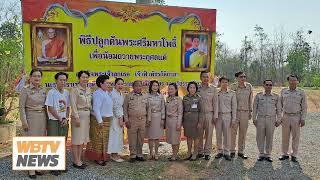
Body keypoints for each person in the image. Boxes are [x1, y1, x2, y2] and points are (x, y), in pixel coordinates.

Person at [19, 69, 46, 179]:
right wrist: (24, 122)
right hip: (31, 118)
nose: (37, 78)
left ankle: (38, 166)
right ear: (30, 77)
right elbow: (21, 107)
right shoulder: (25, 90)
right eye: (34, 76)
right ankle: (30, 168)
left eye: (39, 76)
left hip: (42, 118)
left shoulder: (43, 89)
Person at [45, 72, 70, 176]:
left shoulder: (67, 93)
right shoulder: (51, 92)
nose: (63, 82)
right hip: (54, 121)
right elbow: (50, 108)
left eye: (64, 80)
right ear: (56, 81)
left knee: (62, 142)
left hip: (64, 121)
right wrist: (60, 118)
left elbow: (68, 107)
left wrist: (66, 118)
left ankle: (61, 164)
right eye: (61, 80)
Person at [85, 75, 113, 166]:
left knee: (104, 140)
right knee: (98, 140)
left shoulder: (106, 92)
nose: (109, 84)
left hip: (107, 121)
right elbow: (96, 108)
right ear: (101, 84)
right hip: (99, 121)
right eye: (107, 83)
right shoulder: (98, 93)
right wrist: (100, 121)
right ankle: (97, 158)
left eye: (109, 83)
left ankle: (103, 156)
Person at [278, 75, 307, 163]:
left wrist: (303, 118)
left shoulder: (301, 92)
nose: (293, 82)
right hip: (286, 116)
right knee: (285, 136)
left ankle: (294, 155)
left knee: (296, 137)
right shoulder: (283, 91)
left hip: (296, 117)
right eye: (291, 80)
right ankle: (285, 154)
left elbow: (304, 107)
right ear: (288, 81)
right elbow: (279, 105)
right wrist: (280, 117)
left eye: (295, 80)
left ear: (297, 81)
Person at [253, 79, 281, 162]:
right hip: (261, 118)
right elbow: (255, 108)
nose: (269, 86)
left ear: (272, 86)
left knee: (270, 136)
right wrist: (254, 118)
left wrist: (279, 119)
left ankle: (268, 154)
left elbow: (279, 109)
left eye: (270, 85)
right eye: (267, 85)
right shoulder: (258, 96)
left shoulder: (276, 96)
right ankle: (261, 153)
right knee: (260, 136)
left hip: (271, 119)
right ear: (264, 85)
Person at [124, 80, 150, 162]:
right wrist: (126, 120)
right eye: (137, 86)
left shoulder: (145, 96)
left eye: (140, 86)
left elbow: (148, 108)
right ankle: (132, 155)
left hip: (142, 120)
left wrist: (148, 119)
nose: (139, 87)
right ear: (133, 87)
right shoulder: (128, 96)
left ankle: (139, 154)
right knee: (132, 138)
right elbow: (125, 109)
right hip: (132, 120)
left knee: (141, 138)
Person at [70, 71, 91, 169]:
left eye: (87, 77)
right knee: (76, 139)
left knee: (82, 139)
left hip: (86, 117)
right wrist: (76, 117)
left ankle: (79, 159)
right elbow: (73, 104)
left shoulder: (89, 89)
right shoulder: (75, 90)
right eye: (83, 77)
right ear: (79, 78)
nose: (85, 79)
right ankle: (75, 161)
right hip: (78, 117)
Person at [230, 71, 253, 159]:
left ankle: (241, 151)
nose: (243, 78)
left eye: (244, 77)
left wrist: (250, 111)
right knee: (233, 132)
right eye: (241, 77)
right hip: (235, 112)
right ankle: (232, 150)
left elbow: (250, 99)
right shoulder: (233, 87)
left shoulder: (249, 86)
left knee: (243, 132)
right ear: (236, 78)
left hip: (245, 112)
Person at [198, 71, 218, 160]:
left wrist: (215, 116)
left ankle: (207, 152)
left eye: (207, 77)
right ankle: (199, 151)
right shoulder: (197, 88)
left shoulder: (213, 89)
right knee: (199, 134)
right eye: (204, 77)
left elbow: (216, 103)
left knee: (209, 134)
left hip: (210, 114)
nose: (205, 78)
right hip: (199, 114)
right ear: (200, 78)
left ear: (209, 78)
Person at [215, 76, 237, 161]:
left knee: (227, 135)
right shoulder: (216, 92)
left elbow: (234, 107)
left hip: (228, 116)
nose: (224, 83)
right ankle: (219, 151)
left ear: (228, 83)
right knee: (218, 134)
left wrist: (234, 118)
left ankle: (227, 152)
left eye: (226, 82)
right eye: (223, 82)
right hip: (218, 116)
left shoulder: (232, 93)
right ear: (220, 83)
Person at [146, 80, 165, 160]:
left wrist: (162, 119)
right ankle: (151, 153)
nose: (155, 87)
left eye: (156, 85)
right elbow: (146, 108)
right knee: (150, 137)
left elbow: (163, 108)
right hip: (150, 118)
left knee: (157, 137)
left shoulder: (160, 96)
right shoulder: (147, 96)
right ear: (151, 86)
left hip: (158, 117)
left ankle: (156, 153)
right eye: (153, 85)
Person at [183, 81, 202, 161]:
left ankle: (195, 153)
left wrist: (200, 122)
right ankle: (189, 152)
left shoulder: (199, 97)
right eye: (190, 87)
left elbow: (201, 111)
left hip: (195, 119)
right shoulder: (185, 97)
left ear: (196, 89)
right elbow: (183, 109)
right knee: (188, 137)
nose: (192, 89)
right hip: (187, 119)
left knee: (196, 138)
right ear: (188, 88)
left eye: (194, 87)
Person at [108, 78, 125, 163]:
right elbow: (115, 107)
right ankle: (113, 154)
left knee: (118, 135)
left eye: (122, 84)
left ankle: (115, 153)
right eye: (118, 84)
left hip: (119, 116)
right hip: (115, 117)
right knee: (115, 135)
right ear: (115, 85)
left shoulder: (120, 94)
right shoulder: (113, 94)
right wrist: (120, 118)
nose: (120, 86)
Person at [165, 83, 183, 161]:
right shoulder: (167, 99)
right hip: (168, 121)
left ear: (176, 90)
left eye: (172, 89)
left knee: (176, 139)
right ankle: (173, 154)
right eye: (169, 89)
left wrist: (179, 124)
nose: (170, 90)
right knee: (172, 139)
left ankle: (175, 155)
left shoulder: (179, 99)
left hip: (175, 121)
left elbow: (180, 113)